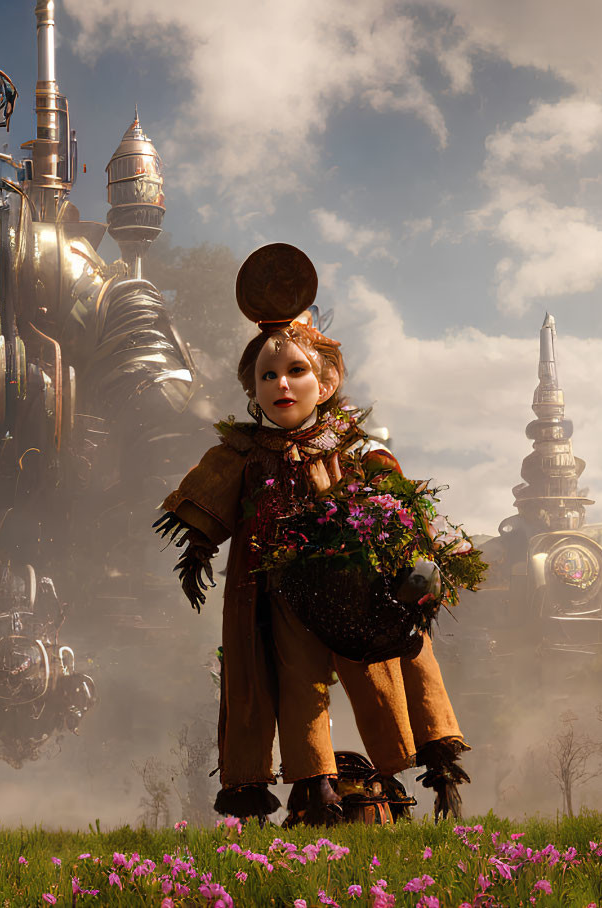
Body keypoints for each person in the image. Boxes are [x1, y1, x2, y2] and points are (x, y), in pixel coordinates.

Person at [156, 244, 471, 826]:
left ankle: (437, 764)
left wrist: (422, 557)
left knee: (402, 654)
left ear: (325, 381)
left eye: (296, 370)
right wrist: (199, 548)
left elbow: (403, 506)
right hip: (281, 591)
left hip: (360, 583)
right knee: (297, 685)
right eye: (267, 375)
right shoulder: (243, 453)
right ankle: (315, 787)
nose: (281, 384)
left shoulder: (356, 447)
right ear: (253, 390)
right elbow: (206, 505)